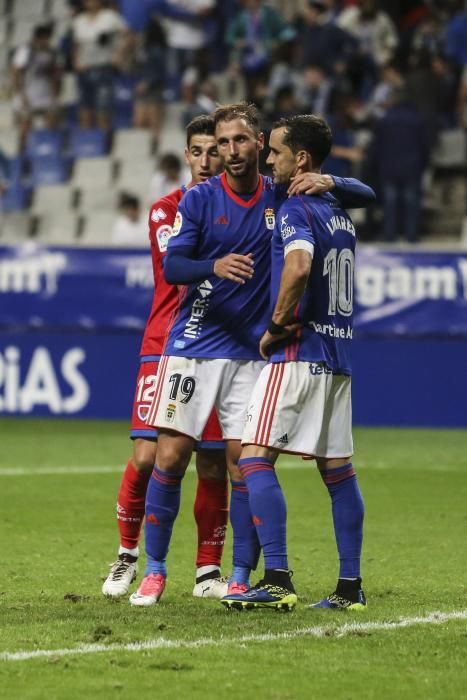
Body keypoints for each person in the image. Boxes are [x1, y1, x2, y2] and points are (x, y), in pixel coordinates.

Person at [130, 102, 375, 607]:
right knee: (170, 455)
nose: (231, 151)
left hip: (252, 354)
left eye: (241, 141)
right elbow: (173, 267)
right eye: (222, 143)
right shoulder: (198, 200)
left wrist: (332, 183)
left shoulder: (281, 194)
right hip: (195, 345)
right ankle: (154, 570)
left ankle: (243, 573)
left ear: (260, 143)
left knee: (247, 464)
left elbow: (364, 195)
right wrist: (213, 265)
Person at [221, 114, 367, 612]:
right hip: (338, 354)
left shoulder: (297, 207)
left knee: (254, 457)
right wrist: (337, 180)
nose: (268, 160)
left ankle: (278, 578)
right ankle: (350, 588)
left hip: (298, 352)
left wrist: (277, 325)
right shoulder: (338, 211)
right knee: (338, 470)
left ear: (300, 159)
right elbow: (364, 191)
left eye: (277, 153)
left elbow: (299, 265)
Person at [102, 115, 229, 601]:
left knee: (214, 463)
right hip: (165, 342)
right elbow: (177, 271)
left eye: (212, 151)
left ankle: (207, 570)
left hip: (220, 344)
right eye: (195, 151)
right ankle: (128, 556)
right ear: (186, 155)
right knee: (148, 455)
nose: (204, 160)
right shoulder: (165, 210)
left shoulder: (240, 203)